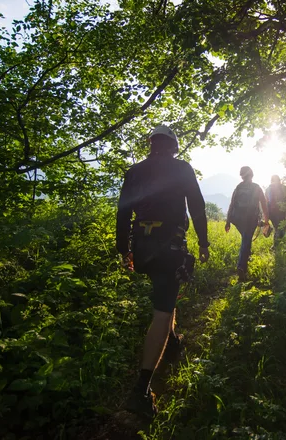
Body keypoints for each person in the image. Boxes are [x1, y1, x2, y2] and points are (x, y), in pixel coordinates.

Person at [116, 124, 210, 418]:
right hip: (169, 247)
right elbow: (197, 206)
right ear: (174, 145)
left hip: (143, 248)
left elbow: (123, 211)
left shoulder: (135, 171)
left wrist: (123, 250)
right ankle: (141, 389)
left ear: (151, 144)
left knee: (166, 294)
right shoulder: (182, 168)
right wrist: (204, 242)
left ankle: (172, 343)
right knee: (162, 309)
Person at [225, 166, 269, 282]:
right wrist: (266, 220)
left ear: (241, 175)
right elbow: (264, 204)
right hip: (250, 219)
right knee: (246, 240)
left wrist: (228, 221)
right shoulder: (256, 187)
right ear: (252, 175)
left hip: (237, 219)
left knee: (246, 239)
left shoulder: (238, 187)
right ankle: (241, 267)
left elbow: (232, 204)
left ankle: (245, 258)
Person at [265, 175, 286, 245]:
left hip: (272, 212)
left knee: (277, 228)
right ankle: (277, 245)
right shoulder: (283, 187)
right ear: (279, 180)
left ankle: (277, 245)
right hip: (282, 211)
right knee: (282, 228)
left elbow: (266, 201)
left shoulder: (268, 189)